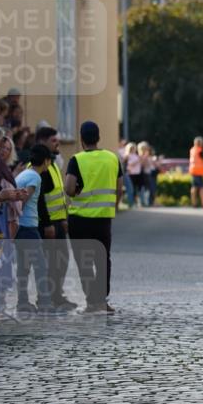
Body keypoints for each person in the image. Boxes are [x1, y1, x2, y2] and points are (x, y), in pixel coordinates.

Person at [65, 120, 123, 315]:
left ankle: (91, 303)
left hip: (79, 220)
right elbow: (119, 188)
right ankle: (102, 301)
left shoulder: (76, 159)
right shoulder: (112, 158)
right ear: (98, 138)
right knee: (103, 260)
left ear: (81, 139)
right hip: (103, 220)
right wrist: (111, 207)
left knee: (84, 263)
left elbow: (69, 188)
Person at [33, 126, 76, 311]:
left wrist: (64, 218)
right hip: (47, 224)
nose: (58, 143)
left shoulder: (52, 163)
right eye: (53, 140)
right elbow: (40, 198)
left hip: (58, 221)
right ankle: (45, 298)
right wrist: (48, 223)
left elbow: (58, 194)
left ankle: (56, 295)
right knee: (49, 263)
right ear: (42, 141)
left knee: (61, 261)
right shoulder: (38, 165)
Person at [14, 144, 54, 315]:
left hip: (20, 227)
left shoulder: (24, 173)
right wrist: (19, 214)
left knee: (23, 267)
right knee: (40, 266)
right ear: (46, 161)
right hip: (28, 227)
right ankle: (45, 303)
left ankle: (22, 302)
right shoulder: (35, 177)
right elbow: (23, 198)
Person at [189, 136, 203, 207]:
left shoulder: (192, 149)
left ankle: (194, 203)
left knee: (194, 187)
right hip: (199, 171)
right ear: (199, 143)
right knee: (202, 188)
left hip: (193, 170)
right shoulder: (199, 150)